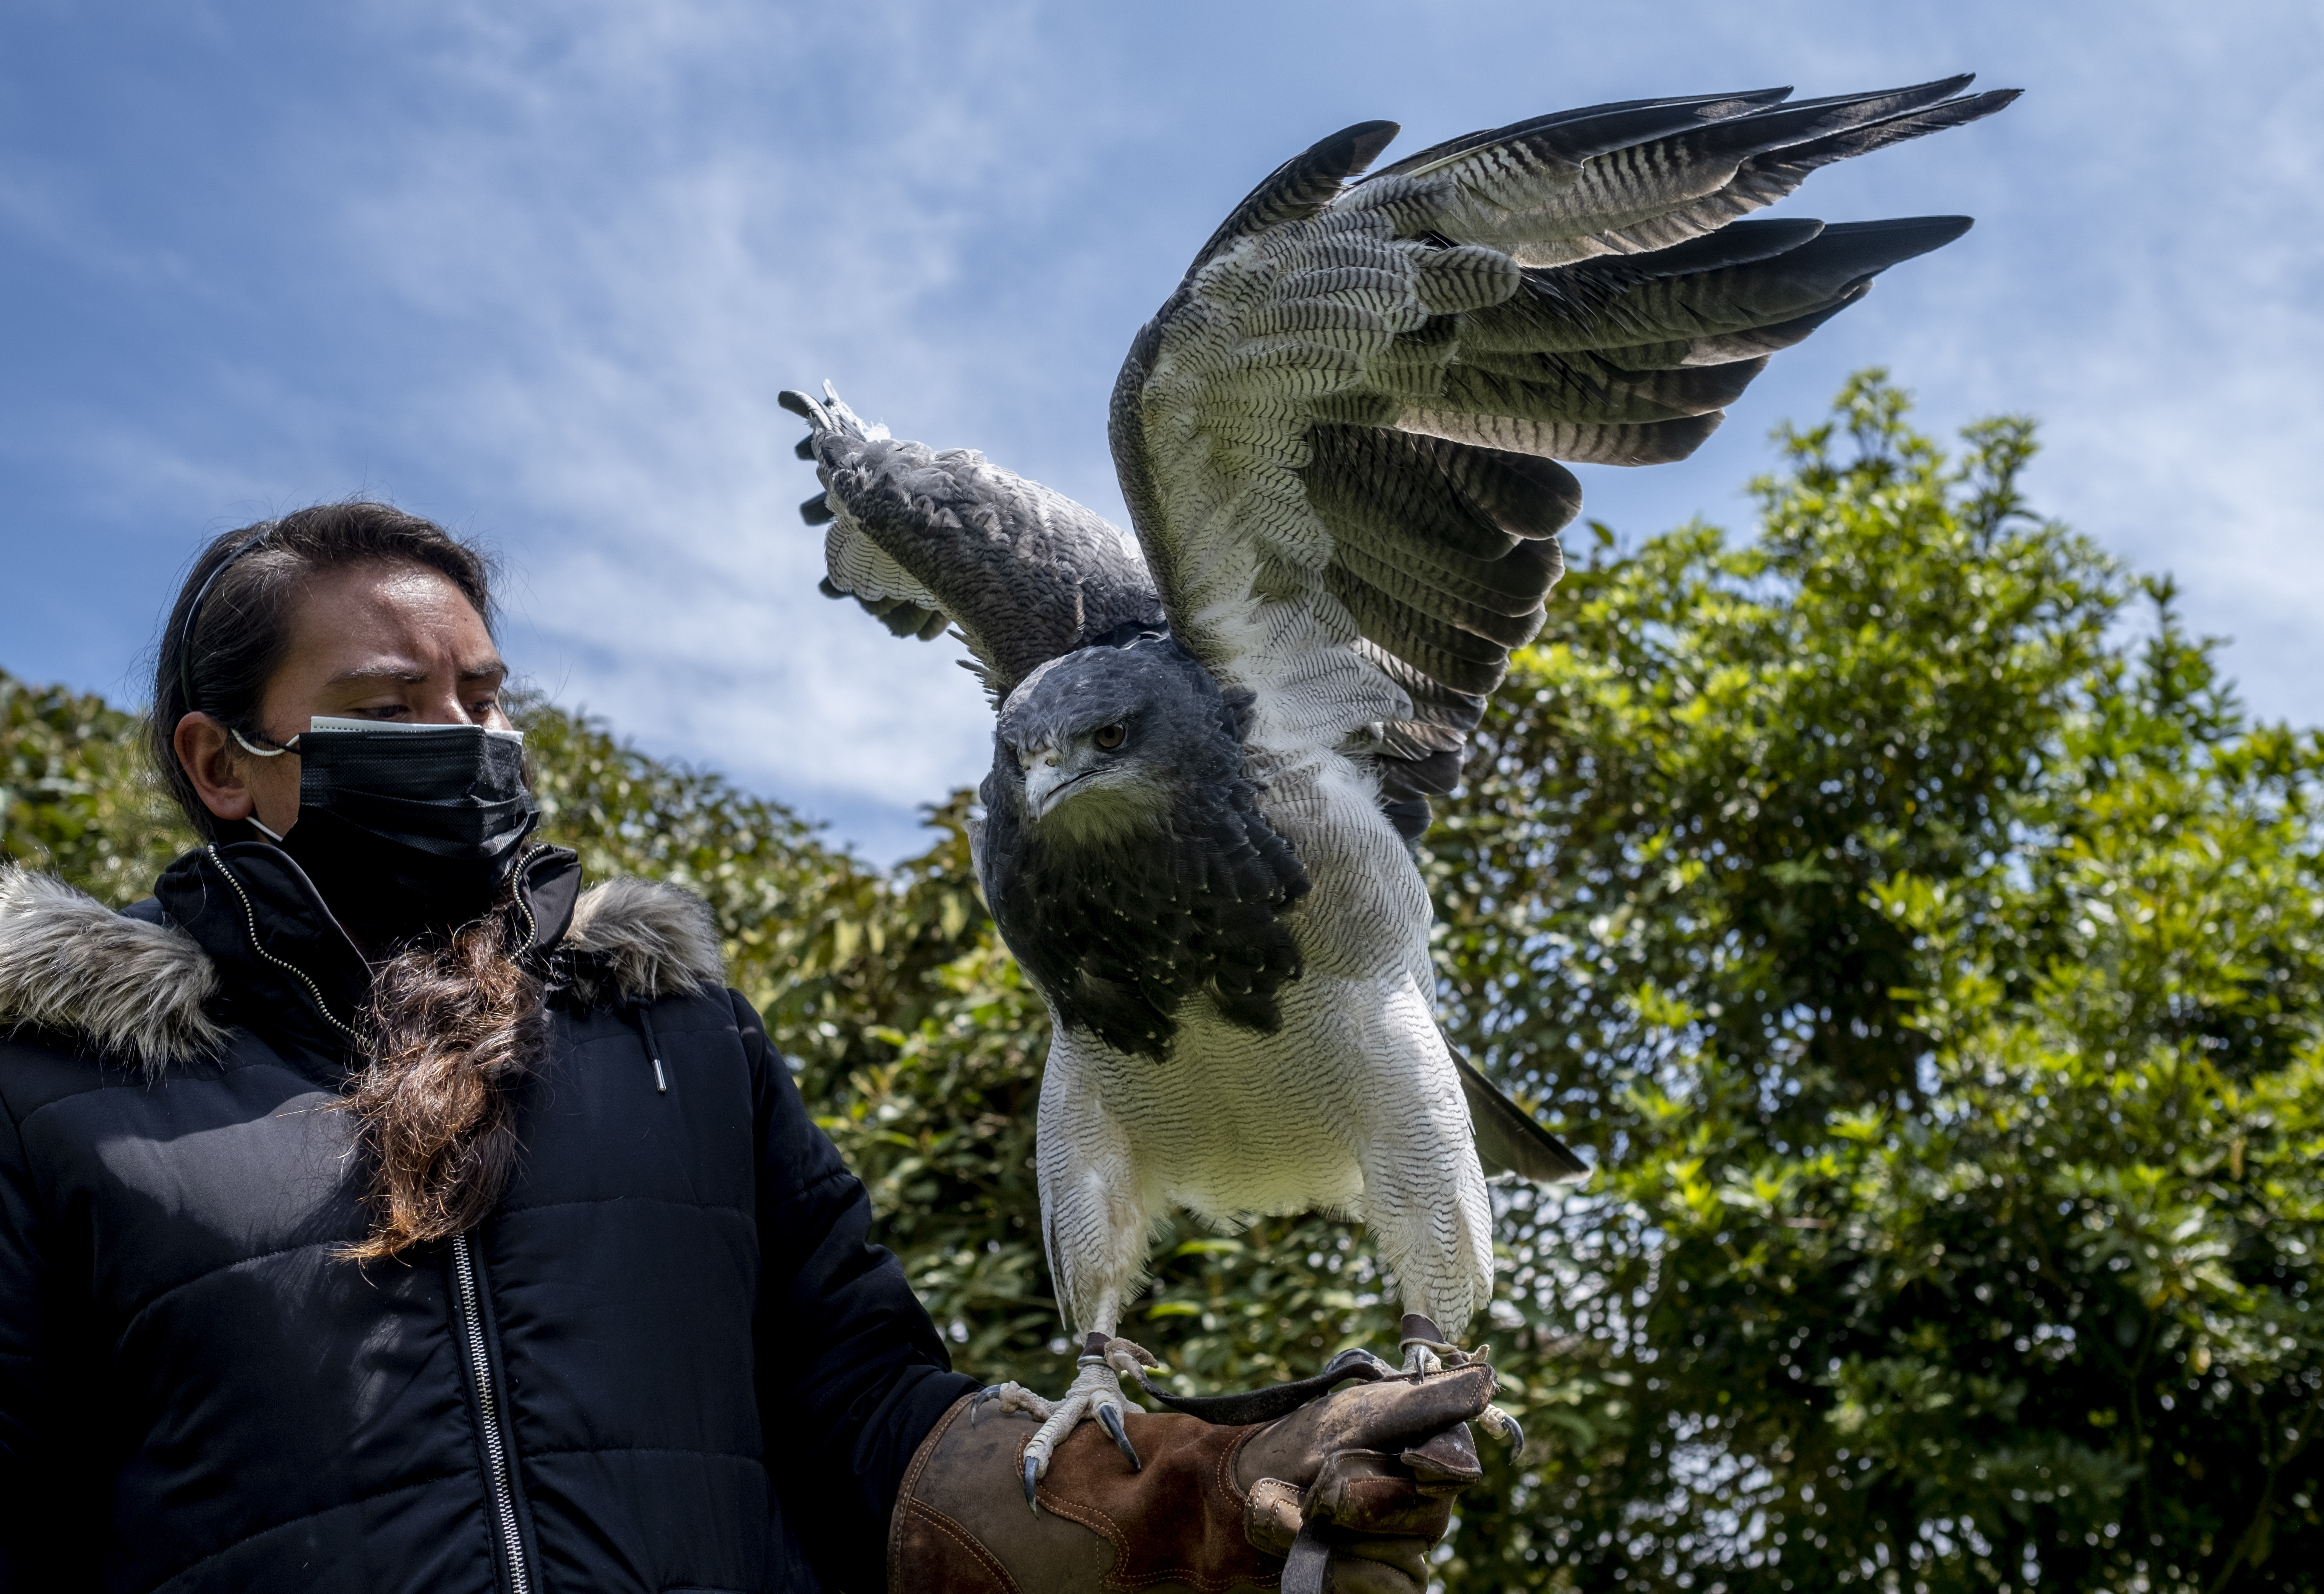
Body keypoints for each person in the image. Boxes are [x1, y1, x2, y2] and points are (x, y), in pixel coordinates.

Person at [0, 502, 1495, 1593]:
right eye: (389, 708)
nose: (463, 737)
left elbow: (873, 1417)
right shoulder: (59, 1095)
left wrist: (1178, 1494)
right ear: (220, 763)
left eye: (484, 696)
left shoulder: (674, 1040)